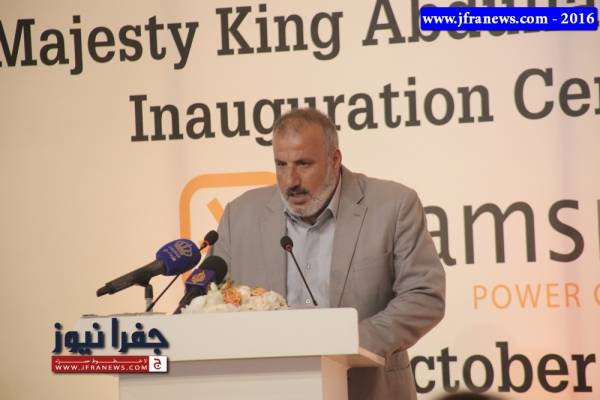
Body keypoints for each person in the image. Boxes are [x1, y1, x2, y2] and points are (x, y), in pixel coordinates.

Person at [211, 108, 445, 400]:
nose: (290, 181)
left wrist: (346, 341)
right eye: (281, 164)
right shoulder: (239, 215)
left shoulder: (393, 206)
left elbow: (424, 296)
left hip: (367, 389)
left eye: (303, 164)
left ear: (335, 160)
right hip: (269, 389)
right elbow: (213, 301)